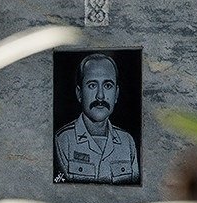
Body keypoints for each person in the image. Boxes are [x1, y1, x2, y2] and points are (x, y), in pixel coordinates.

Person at [55, 53, 140, 184]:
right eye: (92, 85)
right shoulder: (64, 141)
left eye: (107, 86)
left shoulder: (127, 143)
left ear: (116, 94)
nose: (100, 96)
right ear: (79, 93)